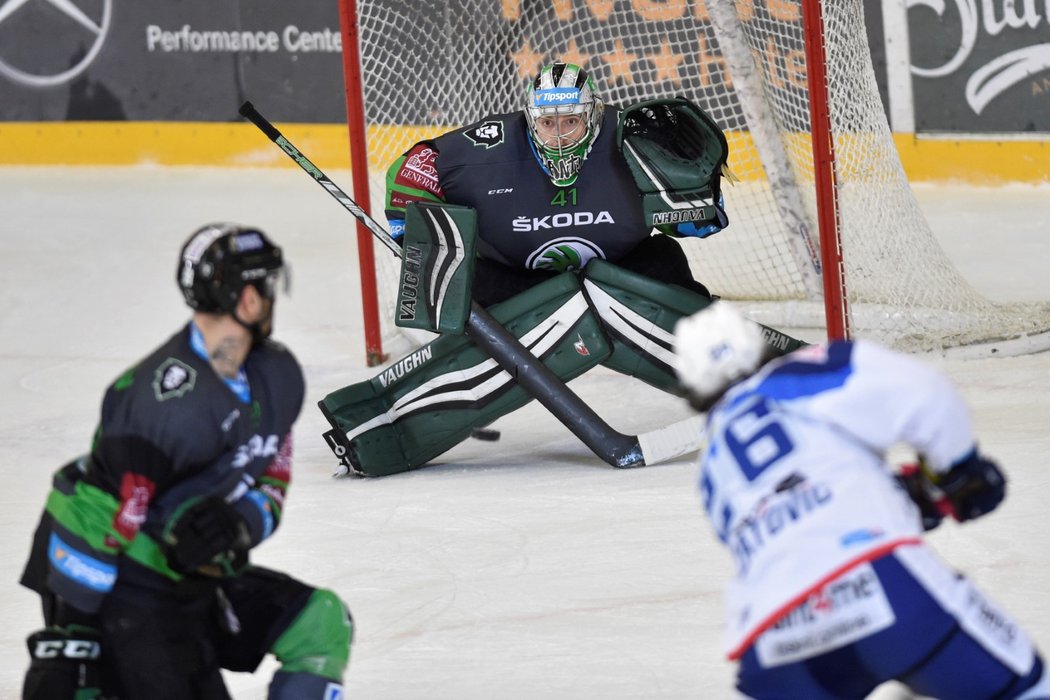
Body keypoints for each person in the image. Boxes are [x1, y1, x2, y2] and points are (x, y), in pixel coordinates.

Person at [19, 224, 352, 699]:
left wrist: (238, 526)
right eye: (268, 287)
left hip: (195, 578)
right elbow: (97, 513)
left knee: (319, 622)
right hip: (130, 587)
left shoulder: (278, 376)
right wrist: (73, 639)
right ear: (249, 299)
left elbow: (272, 479)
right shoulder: (162, 402)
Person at [671, 302, 1049, 699]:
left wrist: (895, 499)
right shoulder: (801, 372)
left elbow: (793, 521)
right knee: (1027, 688)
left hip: (771, 641)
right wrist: (954, 473)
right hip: (881, 587)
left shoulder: (712, 462)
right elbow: (926, 394)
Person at [384, 60, 726, 307]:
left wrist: (693, 212)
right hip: (517, 281)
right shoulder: (491, 146)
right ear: (531, 120)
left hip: (620, 273)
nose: (559, 135)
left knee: (664, 258)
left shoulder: (634, 138)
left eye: (571, 121)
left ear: (594, 115)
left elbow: (693, 219)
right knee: (471, 281)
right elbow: (418, 161)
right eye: (548, 122)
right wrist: (409, 230)